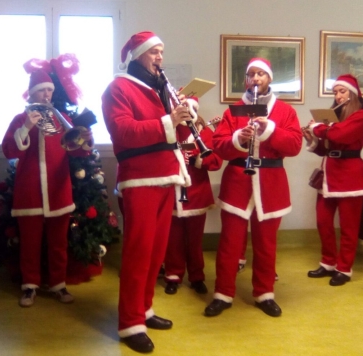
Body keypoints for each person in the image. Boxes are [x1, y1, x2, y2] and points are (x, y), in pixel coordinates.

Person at [101, 31, 193, 353]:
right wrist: (170, 119)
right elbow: (124, 132)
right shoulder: (118, 88)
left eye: (162, 52)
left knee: (156, 252)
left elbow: (172, 133)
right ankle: (129, 324)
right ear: (137, 55)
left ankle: (145, 310)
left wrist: (185, 115)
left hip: (166, 175)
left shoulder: (159, 89)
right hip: (139, 179)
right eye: (153, 52)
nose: (159, 58)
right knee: (138, 252)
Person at [205, 57, 302, 318]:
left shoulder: (285, 111)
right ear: (246, 80)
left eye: (261, 74)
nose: (256, 79)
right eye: (251, 75)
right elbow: (219, 145)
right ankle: (223, 294)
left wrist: (269, 129)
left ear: (269, 78)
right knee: (229, 243)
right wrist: (238, 138)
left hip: (271, 183)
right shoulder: (233, 110)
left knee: (266, 244)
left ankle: (264, 293)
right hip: (237, 182)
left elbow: (294, 145)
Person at [2, 54, 94, 307]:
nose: (46, 96)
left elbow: (78, 150)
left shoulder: (59, 119)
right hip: (29, 190)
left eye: (48, 91)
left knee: (58, 242)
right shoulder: (20, 120)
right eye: (41, 92)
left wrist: (85, 137)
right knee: (29, 243)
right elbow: (10, 151)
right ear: (31, 94)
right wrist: (26, 128)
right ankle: (29, 285)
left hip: (58, 189)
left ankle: (58, 284)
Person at [303, 74, 363, 286]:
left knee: (349, 228)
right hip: (329, 176)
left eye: (343, 91)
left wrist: (318, 128)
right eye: (336, 92)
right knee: (323, 222)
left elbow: (339, 137)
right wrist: (312, 139)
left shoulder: (361, 116)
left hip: (350, 177)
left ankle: (344, 268)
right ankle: (328, 263)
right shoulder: (334, 120)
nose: (338, 96)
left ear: (353, 94)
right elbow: (327, 147)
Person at [164, 113, 223, 295]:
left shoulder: (203, 132)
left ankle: (197, 276)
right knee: (173, 239)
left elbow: (216, 161)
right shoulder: (167, 129)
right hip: (172, 191)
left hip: (197, 193)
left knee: (195, 240)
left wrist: (196, 159)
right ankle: (173, 276)